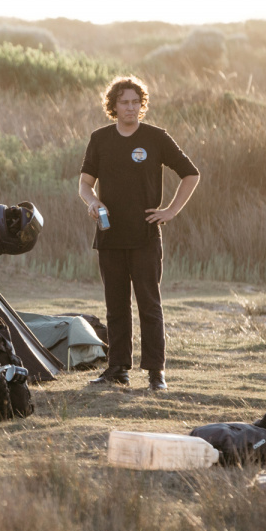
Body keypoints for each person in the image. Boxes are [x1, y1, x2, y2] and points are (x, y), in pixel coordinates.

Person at [79, 75, 200, 391]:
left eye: (136, 102)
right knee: (116, 306)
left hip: (145, 236)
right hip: (109, 236)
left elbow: (191, 174)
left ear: (142, 105)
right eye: (124, 102)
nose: (130, 108)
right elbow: (84, 184)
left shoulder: (157, 138)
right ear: (114, 106)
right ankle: (117, 369)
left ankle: (155, 373)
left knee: (149, 304)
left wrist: (171, 211)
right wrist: (93, 202)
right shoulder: (100, 138)